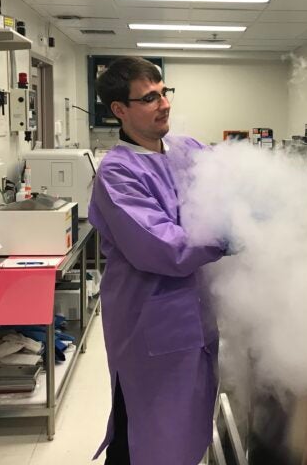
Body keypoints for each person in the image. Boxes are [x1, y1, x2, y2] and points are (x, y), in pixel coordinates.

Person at [88, 56, 226, 465]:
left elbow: (229, 180)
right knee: (146, 430)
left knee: (189, 422)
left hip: (196, 316)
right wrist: (229, 236)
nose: (164, 103)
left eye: (164, 91)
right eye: (149, 98)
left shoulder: (186, 149)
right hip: (150, 324)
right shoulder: (117, 173)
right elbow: (164, 248)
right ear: (120, 110)